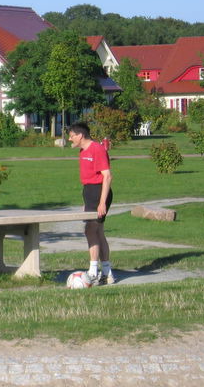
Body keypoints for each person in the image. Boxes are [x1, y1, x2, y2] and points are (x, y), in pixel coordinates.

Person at [68, 122, 116, 285]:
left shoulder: (97, 149)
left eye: (72, 135)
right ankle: (107, 273)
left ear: (80, 135)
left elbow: (107, 176)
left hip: (99, 191)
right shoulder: (83, 151)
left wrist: (102, 202)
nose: (70, 139)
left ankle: (93, 272)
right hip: (89, 192)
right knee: (97, 232)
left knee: (91, 229)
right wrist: (87, 201)